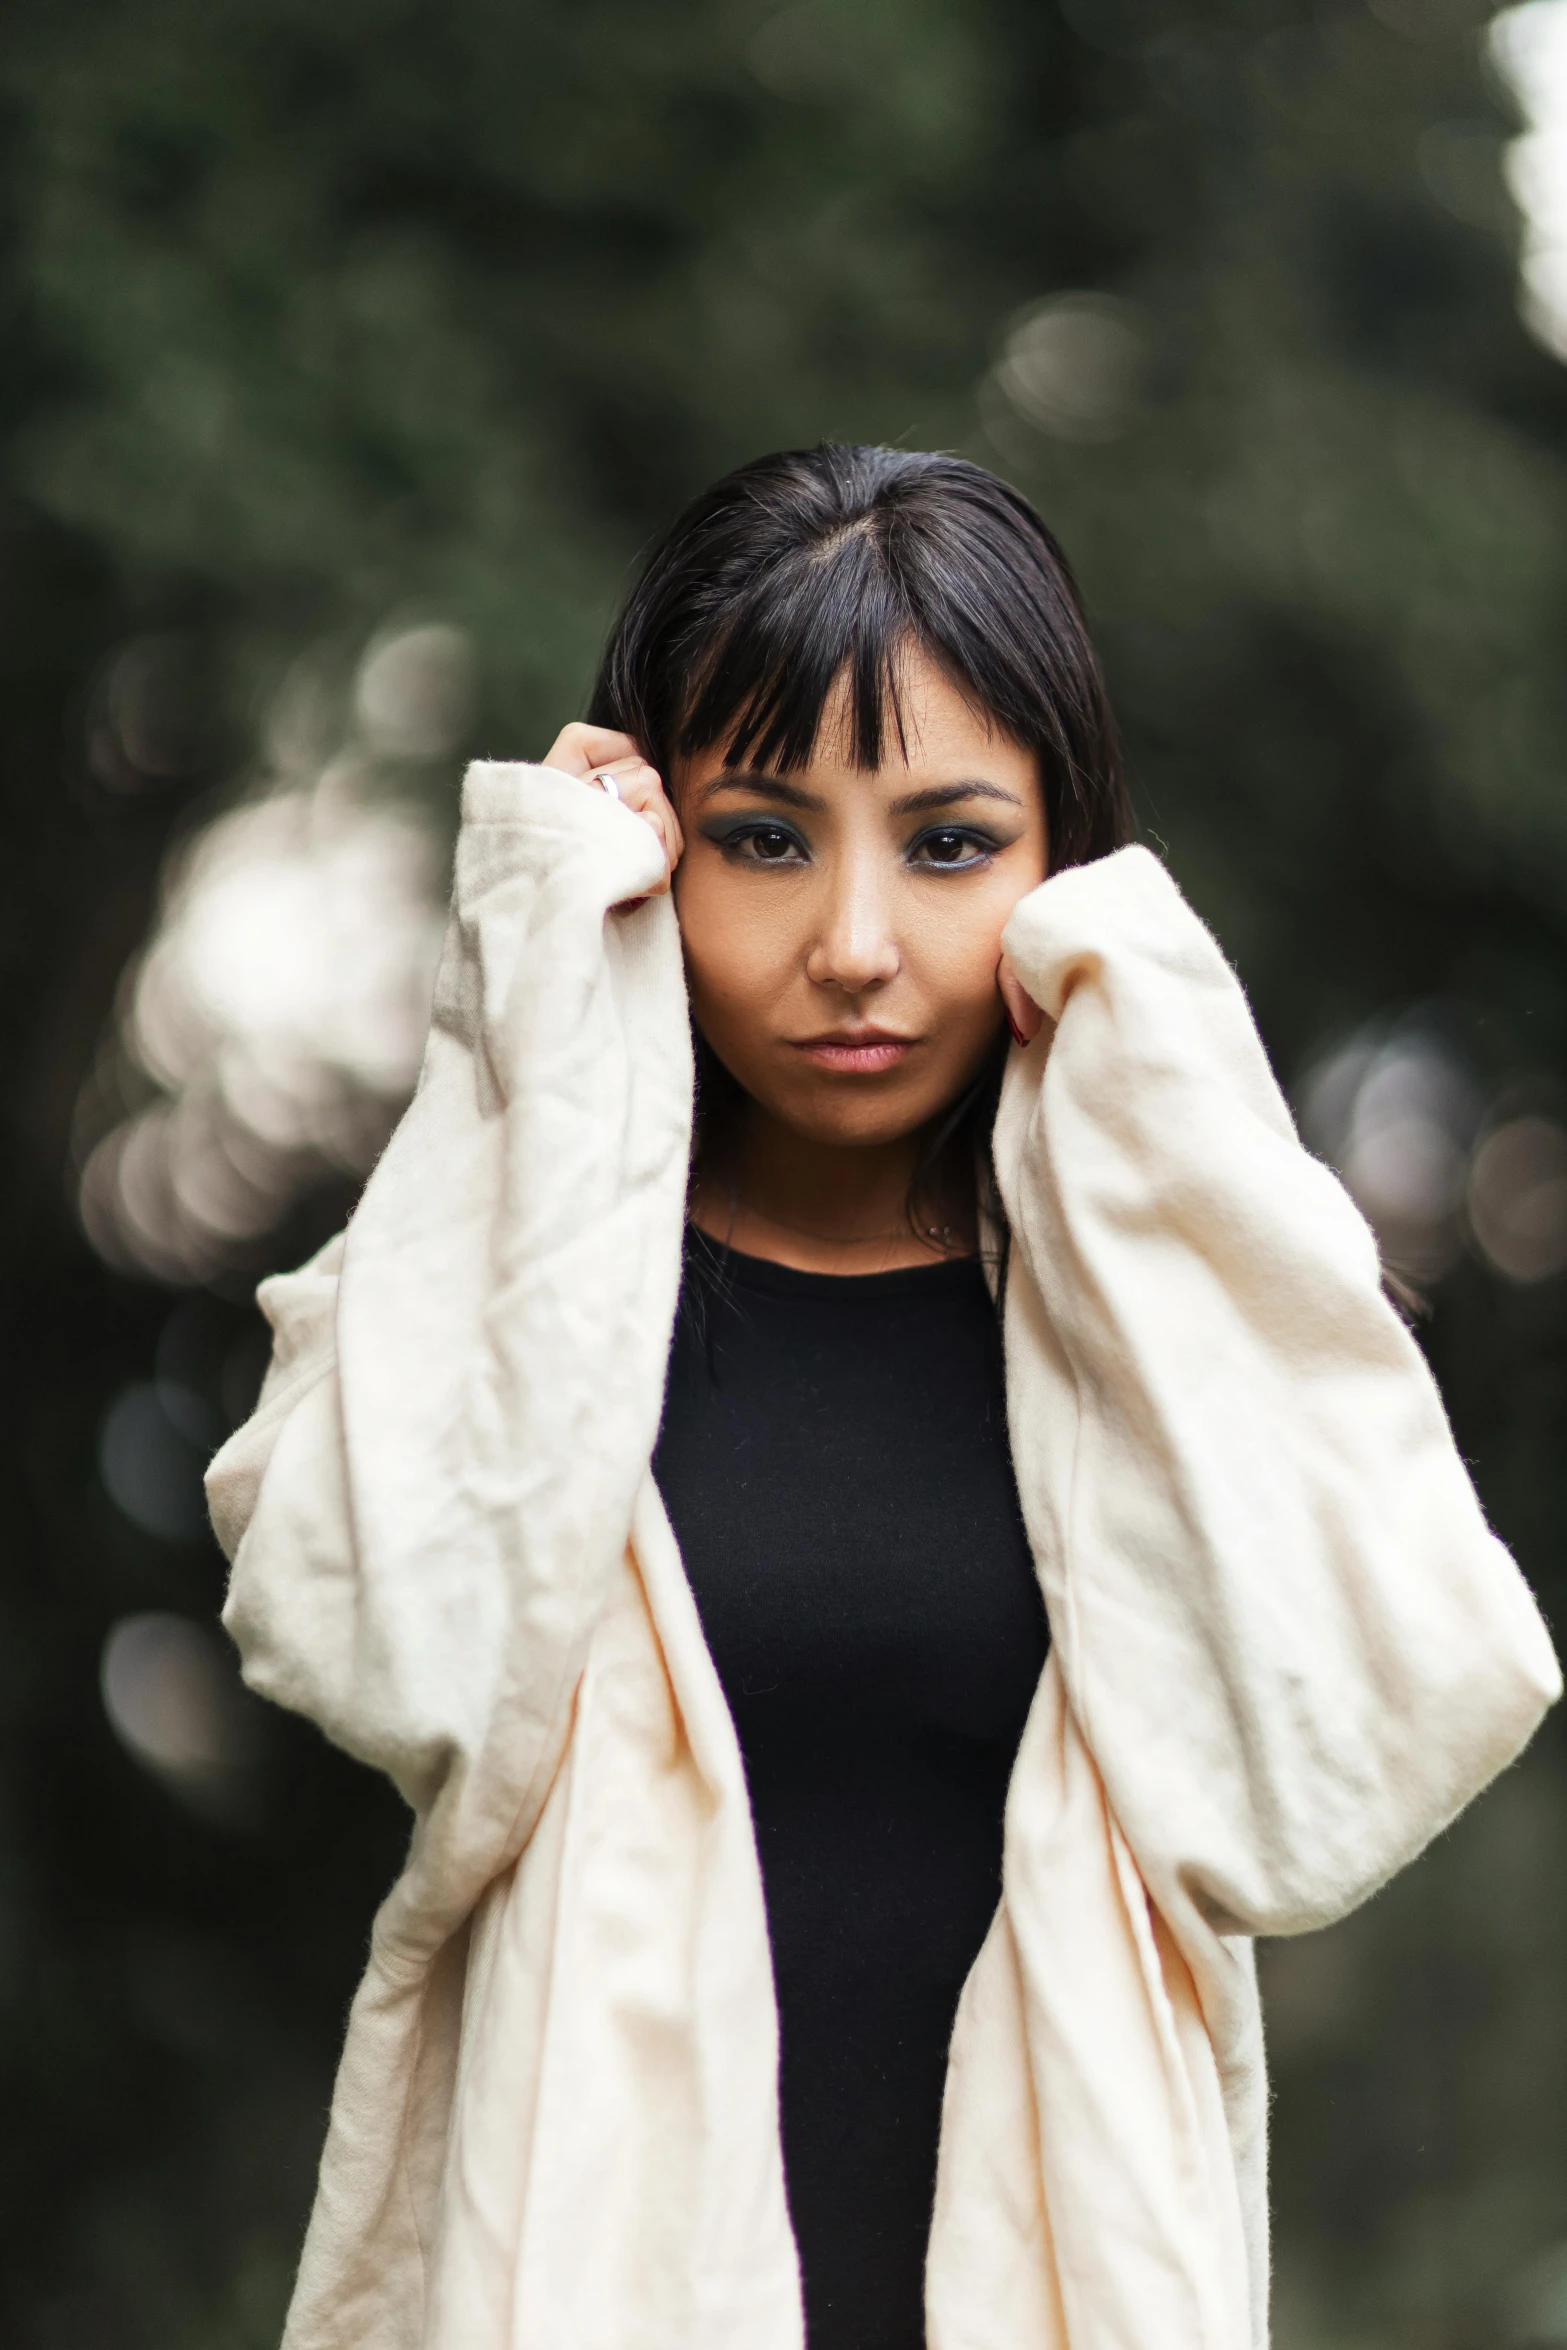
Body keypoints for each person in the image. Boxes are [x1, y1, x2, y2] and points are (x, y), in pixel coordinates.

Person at [207, 445, 1560, 2350]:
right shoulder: (551, 1302)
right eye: (764, 835)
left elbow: (1390, 1701)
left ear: (1060, 866)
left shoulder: (1133, 1329)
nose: (852, 942)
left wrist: (1154, 1062)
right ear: (655, 843)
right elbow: (361, 1627)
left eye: (945, 843)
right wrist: (532, 988)